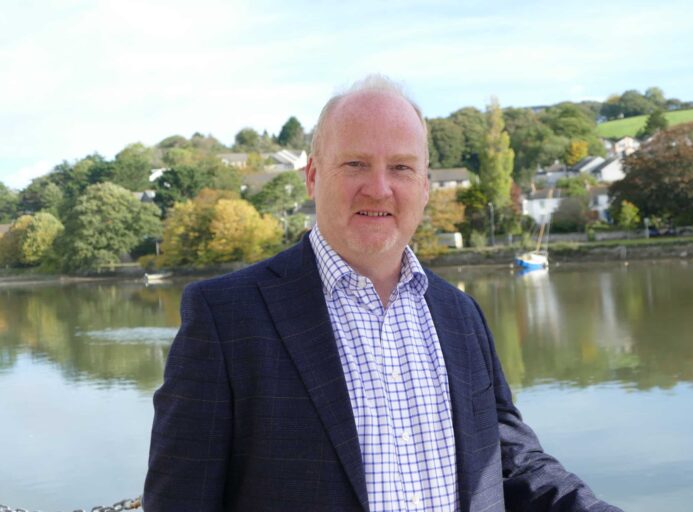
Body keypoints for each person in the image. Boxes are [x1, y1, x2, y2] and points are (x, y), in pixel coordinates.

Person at [143, 75, 622, 512]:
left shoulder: (461, 315)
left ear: (426, 186)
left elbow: (512, 465)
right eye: (355, 164)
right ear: (312, 177)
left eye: (401, 167)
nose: (379, 188)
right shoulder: (226, 317)